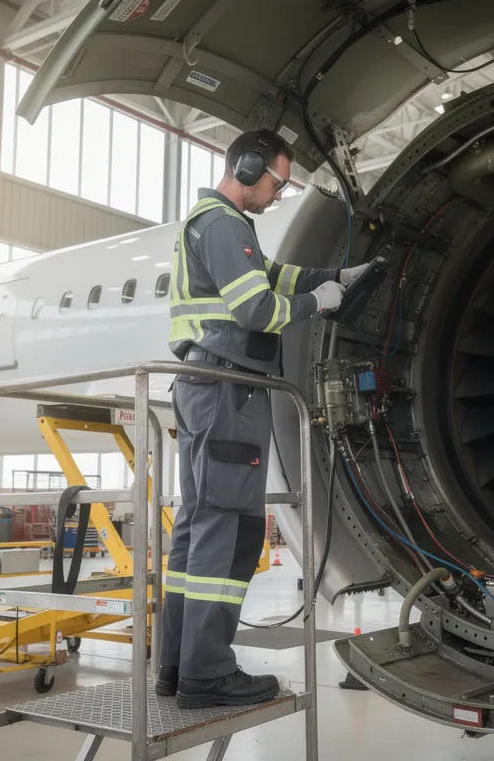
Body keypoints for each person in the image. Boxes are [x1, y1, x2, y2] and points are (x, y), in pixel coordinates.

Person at [156, 129, 370, 709]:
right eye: (277, 181)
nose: (278, 194)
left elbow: (272, 276)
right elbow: (257, 309)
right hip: (227, 391)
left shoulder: (220, 224)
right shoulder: (223, 223)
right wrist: (316, 306)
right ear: (248, 166)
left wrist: (333, 281)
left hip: (207, 388)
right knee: (229, 530)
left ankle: (176, 667)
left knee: (199, 528)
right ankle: (207, 673)